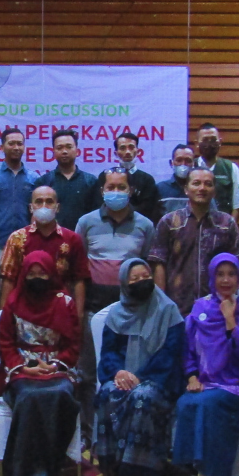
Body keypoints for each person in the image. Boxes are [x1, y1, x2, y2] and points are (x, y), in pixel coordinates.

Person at [173, 253, 239, 476]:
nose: (226, 280)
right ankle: (195, 471)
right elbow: (189, 347)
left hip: (238, 384)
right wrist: (192, 375)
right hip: (207, 381)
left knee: (207, 404)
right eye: (220, 274)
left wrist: (230, 319)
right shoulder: (200, 307)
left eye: (231, 274)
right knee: (186, 402)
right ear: (212, 277)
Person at [74, 168, 156, 441]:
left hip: (132, 311)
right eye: (111, 187)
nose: (116, 192)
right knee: (87, 372)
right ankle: (87, 431)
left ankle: (123, 429)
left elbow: (146, 267)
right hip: (93, 307)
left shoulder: (145, 225)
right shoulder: (86, 222)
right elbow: (78, 268)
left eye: (122, 187)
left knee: (128, 371)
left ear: (130, 191)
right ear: (102, 190)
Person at [94, 258, 185, 476]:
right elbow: (108, 352)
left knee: (142, 397)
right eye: (134, 279)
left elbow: (171, 353)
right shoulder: (116, 314)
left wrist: (141, 376)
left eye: (145, 276)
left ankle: (136, 468)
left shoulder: (168, 311)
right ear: (124, 283)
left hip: (159, 378)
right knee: (107, 392)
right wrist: (119, 372)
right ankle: (113, 461)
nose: (141, 282)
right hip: (124, 375)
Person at [0, 251, 81, 476]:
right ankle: (30, 472)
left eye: (41, 273)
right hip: (23, 369)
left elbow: (73, 344)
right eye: (31, 274)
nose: (36, 278)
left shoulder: (64, 302)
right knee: (29, 398)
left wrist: (55, 365)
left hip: (57, 369)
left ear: (51, 273)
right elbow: (6, 343)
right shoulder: (13, 302)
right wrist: (23, 367)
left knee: (61, 396)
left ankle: (47, 468)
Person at [148, 168, 239, 315]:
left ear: (214, 191)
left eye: (208, 184)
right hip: (177, 307)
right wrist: (162, 303)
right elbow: (159, 264)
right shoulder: (169, 222)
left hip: (218, 308)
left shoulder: (227, 223)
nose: (202, 188)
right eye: (196, 183)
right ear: (186, 189)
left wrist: (234, 301)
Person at [0, 186, 90, 326]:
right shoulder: (17, 238)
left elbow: (79, 280)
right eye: (39, 202)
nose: (44, 206)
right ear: (31, 207)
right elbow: (8, 279)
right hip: (23, 311)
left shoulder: (71, 239)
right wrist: (4, 316)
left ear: (57, 207)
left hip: (60, 311)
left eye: (49, 202)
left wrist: (78, 315)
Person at [34, 129, 99, 231]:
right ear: (53, 152)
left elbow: (96, 216)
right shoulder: (44, 182)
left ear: (77, 151)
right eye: (59, 148)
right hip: (51, 238)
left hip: (82, 239)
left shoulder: (91, 181)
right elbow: (36, 215)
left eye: (69, 147)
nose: (64, 151)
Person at [0, 127, 40, 247]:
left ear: (24, 148)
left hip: (27, 243)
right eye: (11, 144)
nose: (16, 147)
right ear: (2, 148)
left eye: (19, 144)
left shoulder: (34, 178)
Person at [96, 133, 160, 222]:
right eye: (122, 148)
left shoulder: (147, 180)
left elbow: (148, 208)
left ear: (137, 151)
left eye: (131, 147)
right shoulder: (104, 176)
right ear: (116, 153)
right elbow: (99, 204)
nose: (127, 152)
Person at [195, 123, 239, 217]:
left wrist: (228, 229)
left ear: (220, 142)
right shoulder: (191, 166)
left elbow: (238, 205)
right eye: (205, 140)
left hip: (223, 227)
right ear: (197, 143)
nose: (209, 143)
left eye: (213, 139)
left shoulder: (231, 168)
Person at [155, 144, 197, 215]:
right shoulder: (160, 188)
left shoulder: (200, 188)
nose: (183, 164)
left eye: (188, 160)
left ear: (194, 164)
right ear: (171, 163)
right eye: (179, 160)